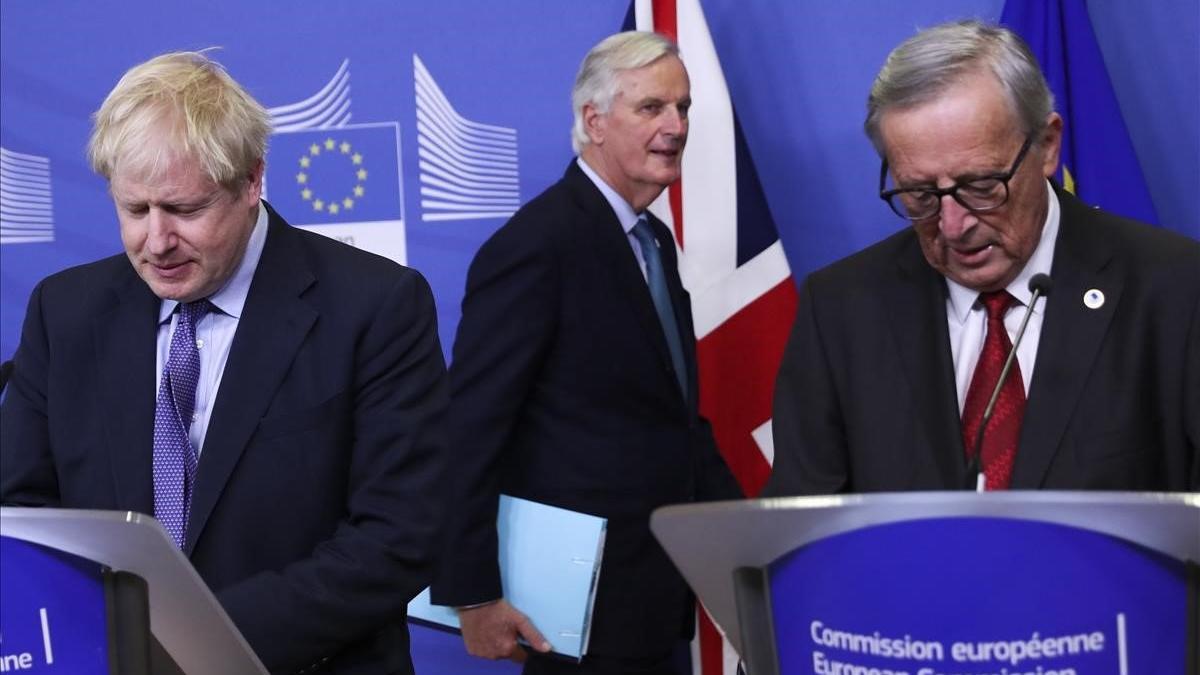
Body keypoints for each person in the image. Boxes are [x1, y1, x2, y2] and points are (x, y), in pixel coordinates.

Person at [0, 51, 450, 674]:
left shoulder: (375, 306)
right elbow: (23, 512)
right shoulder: (64, 311)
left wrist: (187, 638)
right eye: (134, 210)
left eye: (184, 210)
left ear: (252, 182)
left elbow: (398, 536)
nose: (156, 242)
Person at [764, 20, 1200, 496]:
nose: (953, 225)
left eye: (979, 186)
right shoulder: (841, 309)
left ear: (1047, 145)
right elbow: (802, 527)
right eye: (920, 195)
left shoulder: (1174, 290)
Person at [429, 31, 741, 675]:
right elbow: (470, 429)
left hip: (657, 600)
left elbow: (672, 419)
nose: (676, 125)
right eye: (652, 108)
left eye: (683, 108)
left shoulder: (652, 239)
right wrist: (473, 593)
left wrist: (747, 546)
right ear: (594, 121)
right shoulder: (537, 246)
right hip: (576, 616)